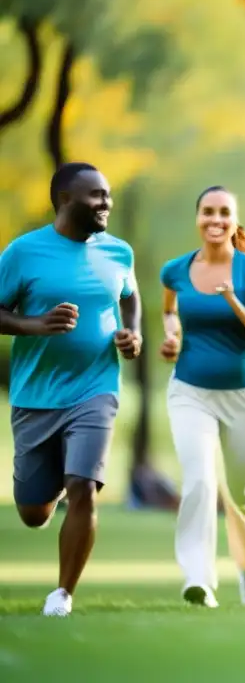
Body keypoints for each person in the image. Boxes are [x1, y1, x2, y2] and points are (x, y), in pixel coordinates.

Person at [0, 162, 140, 617]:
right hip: (34, 396)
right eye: (96, 195)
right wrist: (34, 325)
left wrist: (132, 333)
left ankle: (62, 595)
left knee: (83, 486)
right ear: (64, 200)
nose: (106, 203)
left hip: (95, 388)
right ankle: (50, 487)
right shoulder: (23, 253)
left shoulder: (118, 251)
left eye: (108, 194)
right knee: (34, 512)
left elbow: (129, 296)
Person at [159, 186, 245, 608]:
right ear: (198, 218)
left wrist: (233, 301)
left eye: (224, 213)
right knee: (198, 480)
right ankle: (198, 578)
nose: (216, 220)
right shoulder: (175, 270)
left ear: (234, 219)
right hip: (190, 391)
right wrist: (171, 337)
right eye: (208, 212)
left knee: (244, 492)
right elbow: (170, 311)